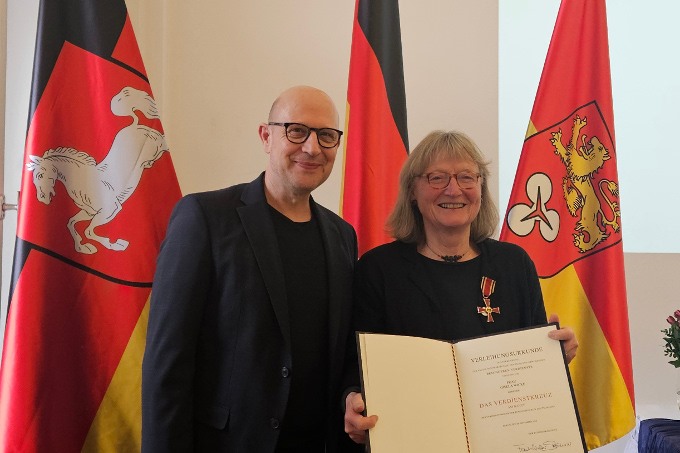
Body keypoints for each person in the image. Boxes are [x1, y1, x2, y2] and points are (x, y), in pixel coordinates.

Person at [142, 86, 361, 452]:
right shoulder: (204, 219)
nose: (312, 147)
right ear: (266, 136)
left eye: (326, 136)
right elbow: (168, 365)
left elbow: (339, 357)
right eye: (296, 130)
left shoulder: (343, 236)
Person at [343, 130, 578, 444]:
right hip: (412, 441)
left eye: (467, 177)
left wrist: (553, 355)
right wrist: (351, 400)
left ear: (480, 187)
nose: (453, 190)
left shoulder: (514, 264)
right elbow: (356, 366)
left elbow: (531, 377)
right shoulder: (378, 269)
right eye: (437, 177)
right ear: (412, 190)